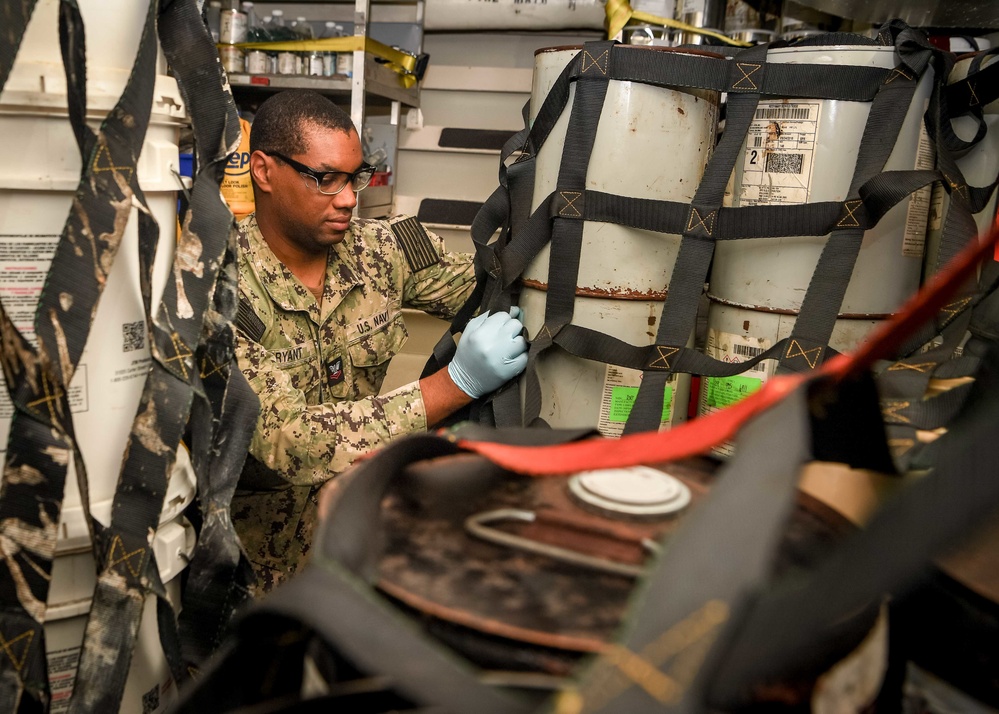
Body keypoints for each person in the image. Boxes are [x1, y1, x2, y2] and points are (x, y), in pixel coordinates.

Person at [231, 89, 528, 592]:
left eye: (355, 177)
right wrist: (454, 386)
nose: (349, 198)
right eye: (326, 179)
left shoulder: (381, 250)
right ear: (263, 171)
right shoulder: (217, 288)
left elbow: (487, 288)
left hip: (361, 540)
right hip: (255, 570)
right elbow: (288, 441)